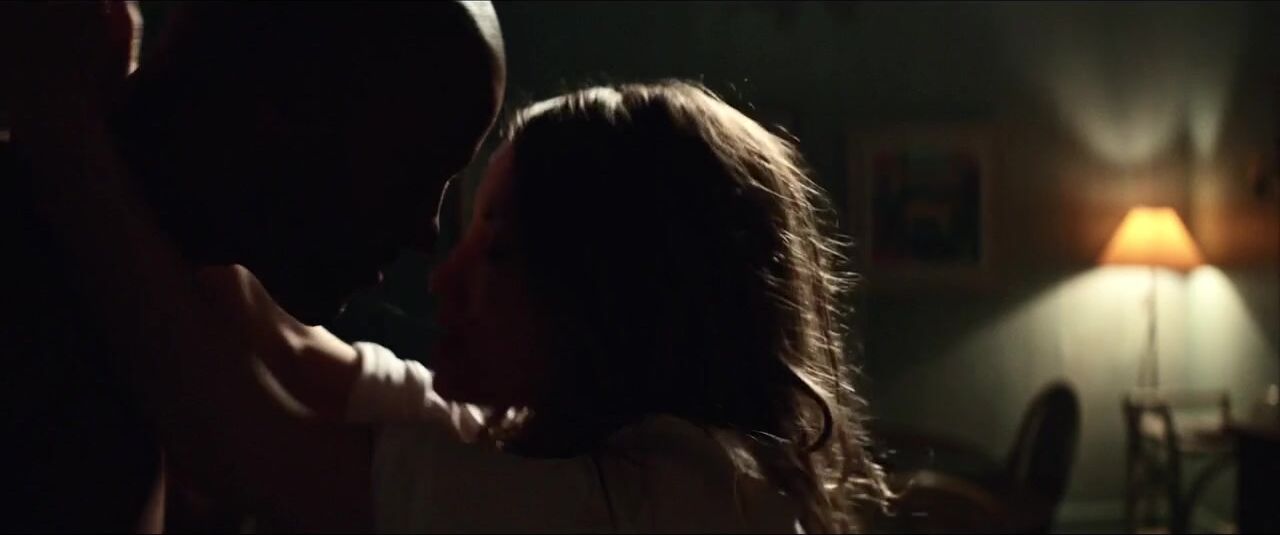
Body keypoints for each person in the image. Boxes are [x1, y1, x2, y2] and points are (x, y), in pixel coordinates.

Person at [20, 61, 892, 530]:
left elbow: (244, 443)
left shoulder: (672, 504)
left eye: (497, 252)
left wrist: (60, 119)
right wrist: (153, 154)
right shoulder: (565, 452)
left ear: (619, 289)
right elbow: (291, 354)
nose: (442, 275)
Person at [1, 2, 504, 531]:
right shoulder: (51, 334)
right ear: (284, 95)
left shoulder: (118, 296)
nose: (427, 233)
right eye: (414, 167)